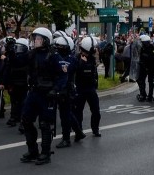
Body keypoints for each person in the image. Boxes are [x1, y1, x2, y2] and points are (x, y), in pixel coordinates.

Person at [20, 27, 63, 165]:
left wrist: (56, 89)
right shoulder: (32, 54)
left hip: (47, 95)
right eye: (35, 38)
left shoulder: (54, 56)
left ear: (45, 40)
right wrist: (11, 53)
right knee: (26, 120)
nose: (35, 41)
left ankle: (45, 153)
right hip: (34, 92)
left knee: (45, 124)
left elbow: (63, 75)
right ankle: (32, 151)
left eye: (38, 39)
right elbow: (19, 62)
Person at [73, 35, 102, 137]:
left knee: (96, 110)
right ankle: (78, 131)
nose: (95, 50)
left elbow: (94, 72)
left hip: (90, 88)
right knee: (78, 111)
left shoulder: (92, 58)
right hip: (80, 88)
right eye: (93, 48)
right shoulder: (77, 58)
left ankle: (95, 129)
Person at [136, 34, 154, 102]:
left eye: (141, 42)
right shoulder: (142, 48)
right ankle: (143, 94)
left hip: (150, 67)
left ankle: (150, 96)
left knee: (150, 81)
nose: (141, 43)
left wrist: (145, 56)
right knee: (140, 80)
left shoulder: (153, 48)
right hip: (143, 66)